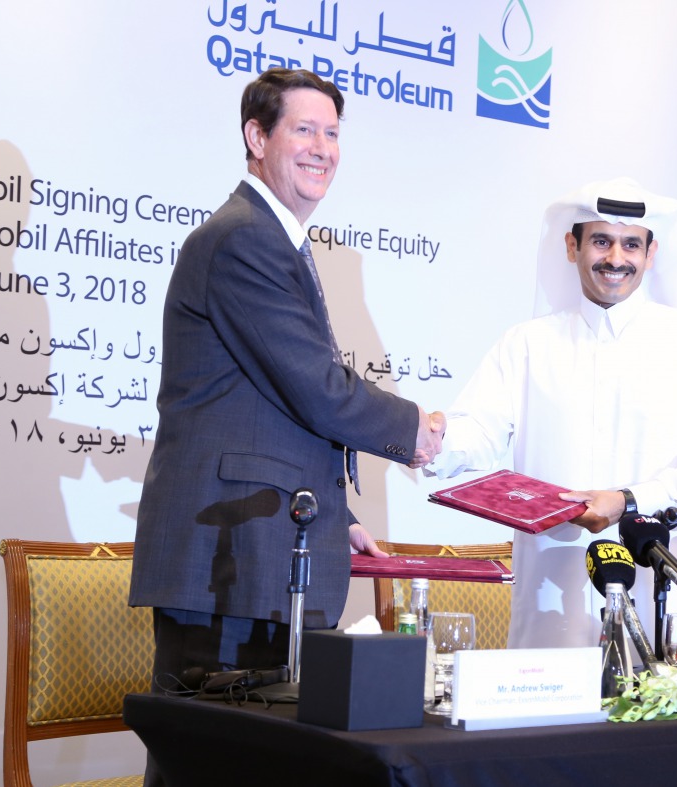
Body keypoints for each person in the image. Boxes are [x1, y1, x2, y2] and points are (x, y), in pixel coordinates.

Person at [129, 68, 445, 693]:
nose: (323, 149)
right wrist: (417, 430)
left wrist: (333, 513)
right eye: (304, 130)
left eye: (332, 133)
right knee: (208, 768)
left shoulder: (276, 239)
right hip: (230, 561)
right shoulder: (244, 238)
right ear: (256, 135)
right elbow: (314, 387)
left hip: (265, 554)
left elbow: (269, 406)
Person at [427, 177, 677, 649]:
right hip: (554, 592)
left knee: (667, 717)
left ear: (652, 252)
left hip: (660, 587)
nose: (616, 259)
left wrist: (628, 499)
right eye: (601, 241)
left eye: (631, 245)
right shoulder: (526, 345)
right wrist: (432, 436)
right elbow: (476, 431)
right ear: (572, 246)